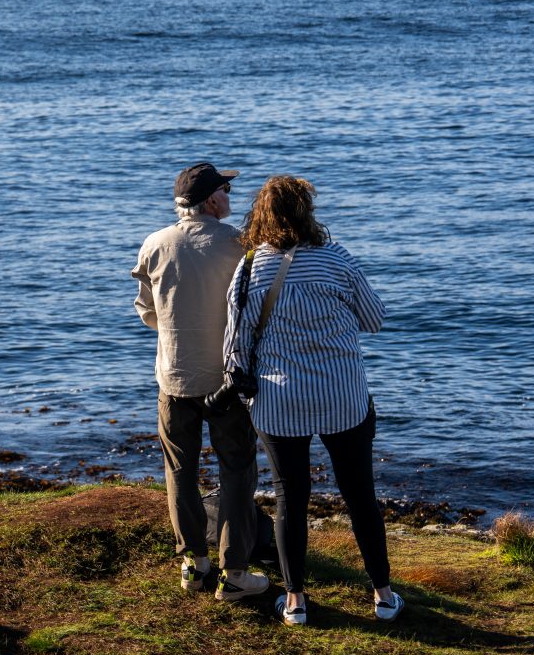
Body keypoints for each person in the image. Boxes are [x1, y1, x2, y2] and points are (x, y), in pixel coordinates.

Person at [224, 174, 399, 626]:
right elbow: (375, 319)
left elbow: (236, 347)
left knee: (290, 499)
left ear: (260, 214)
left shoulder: (249, 269)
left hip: (280, 401)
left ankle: (296, 602)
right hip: (343, 395)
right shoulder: (337, 258)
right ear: (308, 212)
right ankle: (382, 595)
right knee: (360, 495)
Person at [133, 163, 271, 600]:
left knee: (180, 470)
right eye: (226, 190)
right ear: (212, 201)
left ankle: (194, 563)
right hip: (226, 380)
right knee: (237, 472)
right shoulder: (239, 245)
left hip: (174, 377)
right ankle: (235, 572)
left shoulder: (155, 244)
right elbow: (259, 311)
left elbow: (148, 313)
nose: (231, 197)